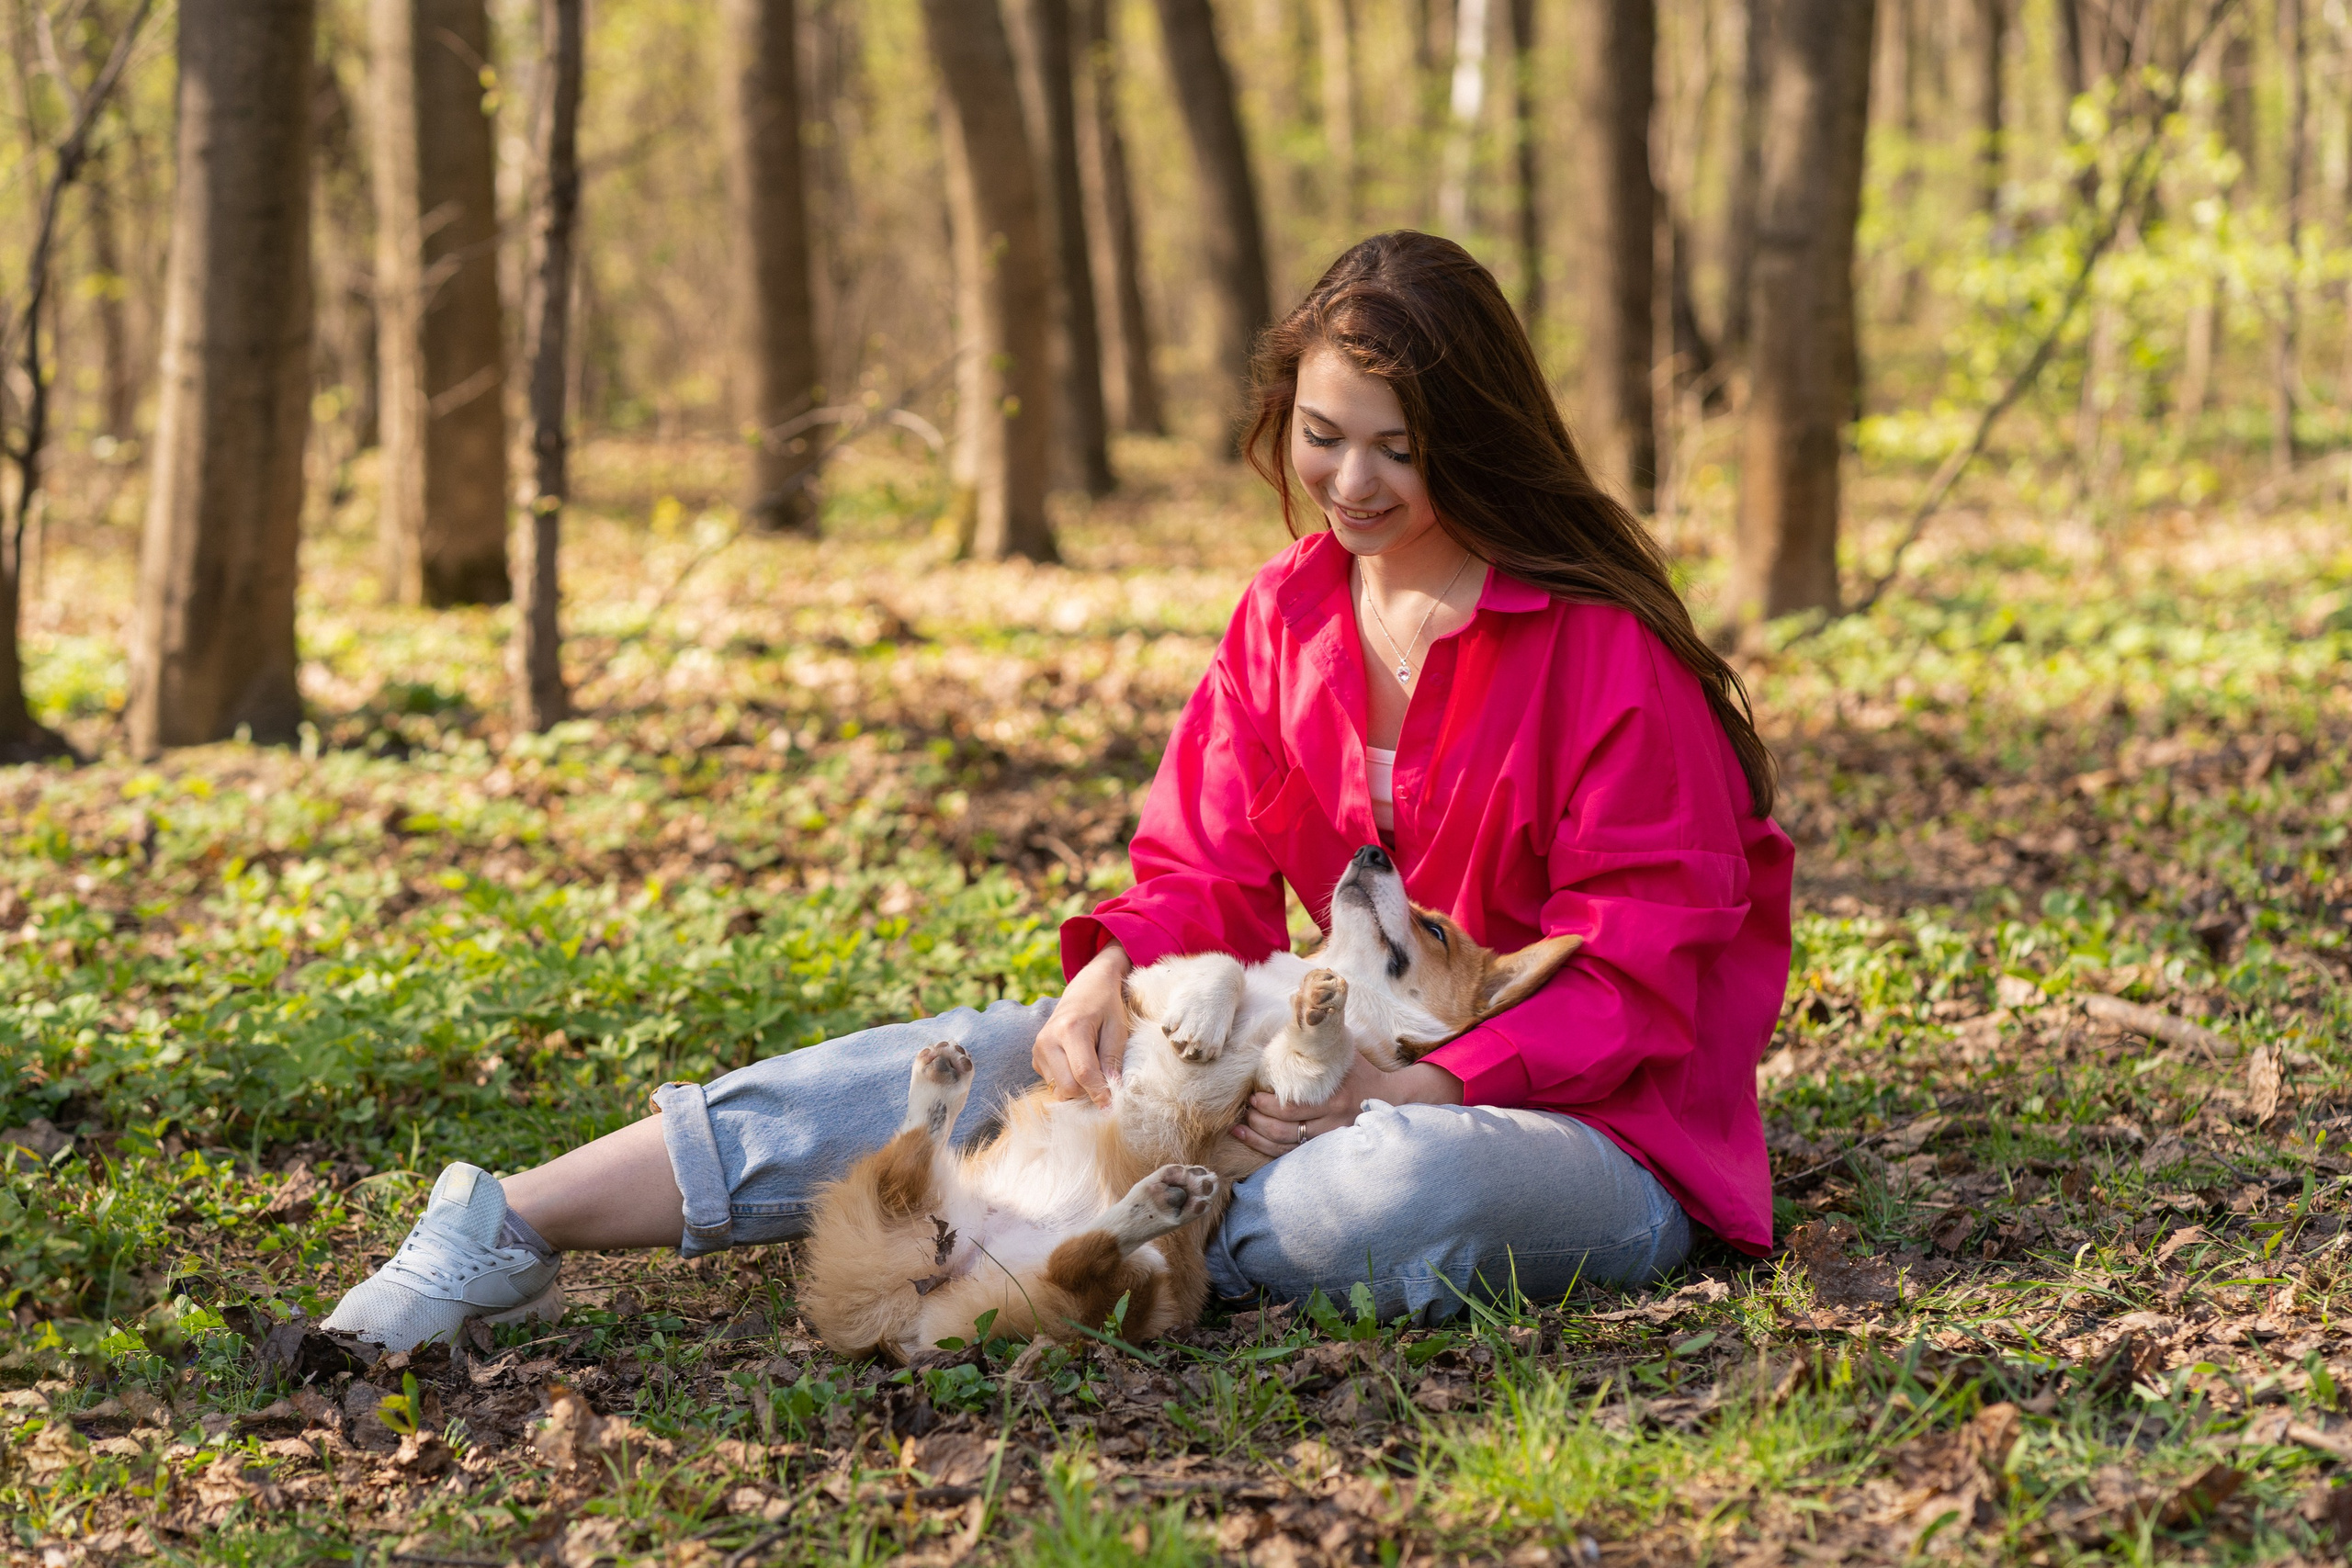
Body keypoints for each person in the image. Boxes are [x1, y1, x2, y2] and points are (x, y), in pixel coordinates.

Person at [324, 232, 1794, 1353]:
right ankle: (507, 1219)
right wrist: (1111, 977)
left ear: (1471, 439)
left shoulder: (1601, 653)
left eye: (1400, 450)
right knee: (1022, 1045)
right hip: (1299, 1081)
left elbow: (1642, 970)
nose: (1351, 484)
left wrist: (1407, 1085)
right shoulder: (1284, 620)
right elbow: (1197, 876)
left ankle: (1106, 1245)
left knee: (1391, 1193)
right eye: (1323, 435)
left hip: (1582, 1129)